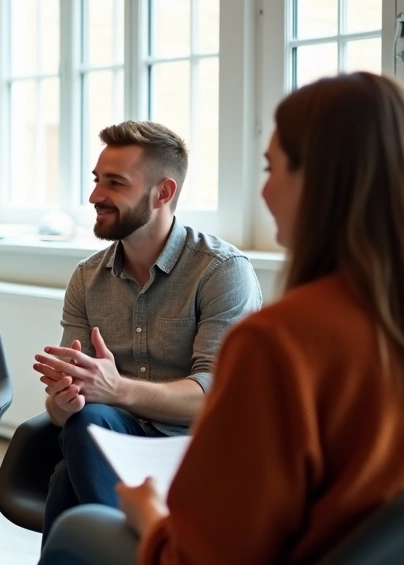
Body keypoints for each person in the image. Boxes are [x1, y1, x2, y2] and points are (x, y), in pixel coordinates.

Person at [6, 72, 404, 565]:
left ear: (322, 181)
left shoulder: (279, 341)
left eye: (272, 169)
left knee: (78, 528)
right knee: (73, 475)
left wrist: (149, 517)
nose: (263, 193)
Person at [32, 120, 261, 539]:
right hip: (109, 445)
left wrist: (117, 390)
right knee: (87, 419)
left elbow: (216, 398)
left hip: (198, 452)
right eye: (97, 180)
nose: (95, 196)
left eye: (115, 183)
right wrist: (64, 399)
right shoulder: (87, 278)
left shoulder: (222, 272)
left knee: (69, 477)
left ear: (164, 192)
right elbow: (61, 413)